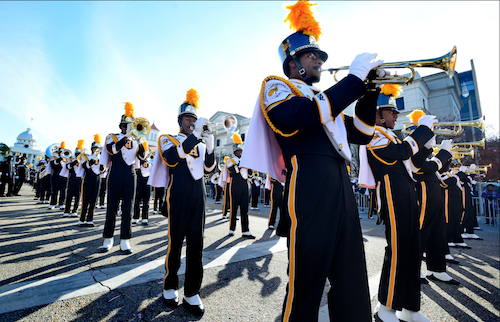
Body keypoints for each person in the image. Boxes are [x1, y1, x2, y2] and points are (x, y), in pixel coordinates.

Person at [240, 2, 386, 320]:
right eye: (312, 55)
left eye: (319, 55)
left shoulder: (325, 103)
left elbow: (361, 133)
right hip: (307, 183)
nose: (319, 60)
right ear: (293, 62)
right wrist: (352, 80)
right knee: (307, 282)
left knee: (352, 281)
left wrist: (370, 91)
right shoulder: (276, 86)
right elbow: (301, 119)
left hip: (340, 187)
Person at [360, 97, 438, 321]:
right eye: (390, 111)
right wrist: (422, 131)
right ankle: (386, 308)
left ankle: (410, 309)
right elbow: (401, 153)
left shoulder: (392, 136)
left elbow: (412, 164)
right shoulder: (373, 134)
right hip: (392, 194)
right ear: (377, 114)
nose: (395, 115)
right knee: (399, 250)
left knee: (413, 252)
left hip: (405, 192)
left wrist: (425, 148)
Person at [148, 89, 215, 316]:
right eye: (188, 119)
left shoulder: (199, 142)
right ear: (180, 120)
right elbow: (172, 158)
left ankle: (192, 292)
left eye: (194, 120)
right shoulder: (167, 138)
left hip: (199, 193)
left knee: (197, 243)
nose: (192, 123)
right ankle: (169, 285)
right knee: (175, 241)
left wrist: (211, 145)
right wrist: (196, 137)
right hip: (178, 191)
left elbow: (208, 169)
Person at [98, 102, 147, 253]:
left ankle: (125, 240)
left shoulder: (137, 140)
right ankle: (108, 238)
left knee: (128, 207)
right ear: (121, 126)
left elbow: (143, 157)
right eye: (126, 125)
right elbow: (112, 150)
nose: (128, 128)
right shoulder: (112, 137)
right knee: (112, 206)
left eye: (131, 125)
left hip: (130, 173)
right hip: (116, 172)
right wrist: (125, 137)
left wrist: (139, 141)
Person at [414, 140, 460, 286]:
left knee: (438, 234)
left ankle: (436, 269)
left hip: (435, 197)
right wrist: (443, 153)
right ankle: (414, 269)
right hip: (423, 198)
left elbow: (441, 177)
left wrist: (447, 158)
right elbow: (427, 167)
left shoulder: (427, 157)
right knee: (419, 234)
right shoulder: (414, 156)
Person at [225, 133, 255, 239]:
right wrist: (241, 164)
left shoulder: (245, 160)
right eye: (238, 151)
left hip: (244, 185)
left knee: (244, 209)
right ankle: (231, 229)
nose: (240, 152)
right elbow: (232, 171)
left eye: (241, 151)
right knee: (234, 208)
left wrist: (249, 165)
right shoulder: (230, 160)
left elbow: (250, 174)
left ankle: (246, 230)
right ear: (235, 151)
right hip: (235, 185)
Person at [79, 135, 104, 227]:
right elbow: (84, 167)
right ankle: (82, 219)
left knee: (94, 199)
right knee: (86, 199)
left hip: (97, 179)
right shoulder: (87, 157)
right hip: (88, 178)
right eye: (95, 149)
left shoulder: (102, 158)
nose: (96, 150)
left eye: (98, 149)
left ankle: (90, 219)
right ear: (92, 149)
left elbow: (103, 170)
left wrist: (101, 165)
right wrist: (92, 162)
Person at [62, 140, 85, 218]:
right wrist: (75, 161)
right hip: (72, 179)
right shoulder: (70, 159)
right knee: (69, 195)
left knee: (78, 195)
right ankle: (66, 210)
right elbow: (68, 167)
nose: (78, 155)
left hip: (80, 179)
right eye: (77, 153)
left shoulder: (83, 160)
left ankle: (75, 210)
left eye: (79, 153)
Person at [133, 151, 152, 225]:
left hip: (147, 186)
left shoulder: (151, 167)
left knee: (146, 202)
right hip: (138, 186)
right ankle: (136, 217)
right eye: (144, 163)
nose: (145, 165)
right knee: (137, 202)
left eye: (146, 163)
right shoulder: (138, 168)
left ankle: (145, 218)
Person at [47, 143, 68, 210]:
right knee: (54, 191)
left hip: (64, 177)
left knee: (63, 191)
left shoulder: (66, 159)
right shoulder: (53, 158)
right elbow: (54, 164)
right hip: (55, 176)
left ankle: (61, 203)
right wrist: (60, 158)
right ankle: (53, 203)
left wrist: (64, 158)